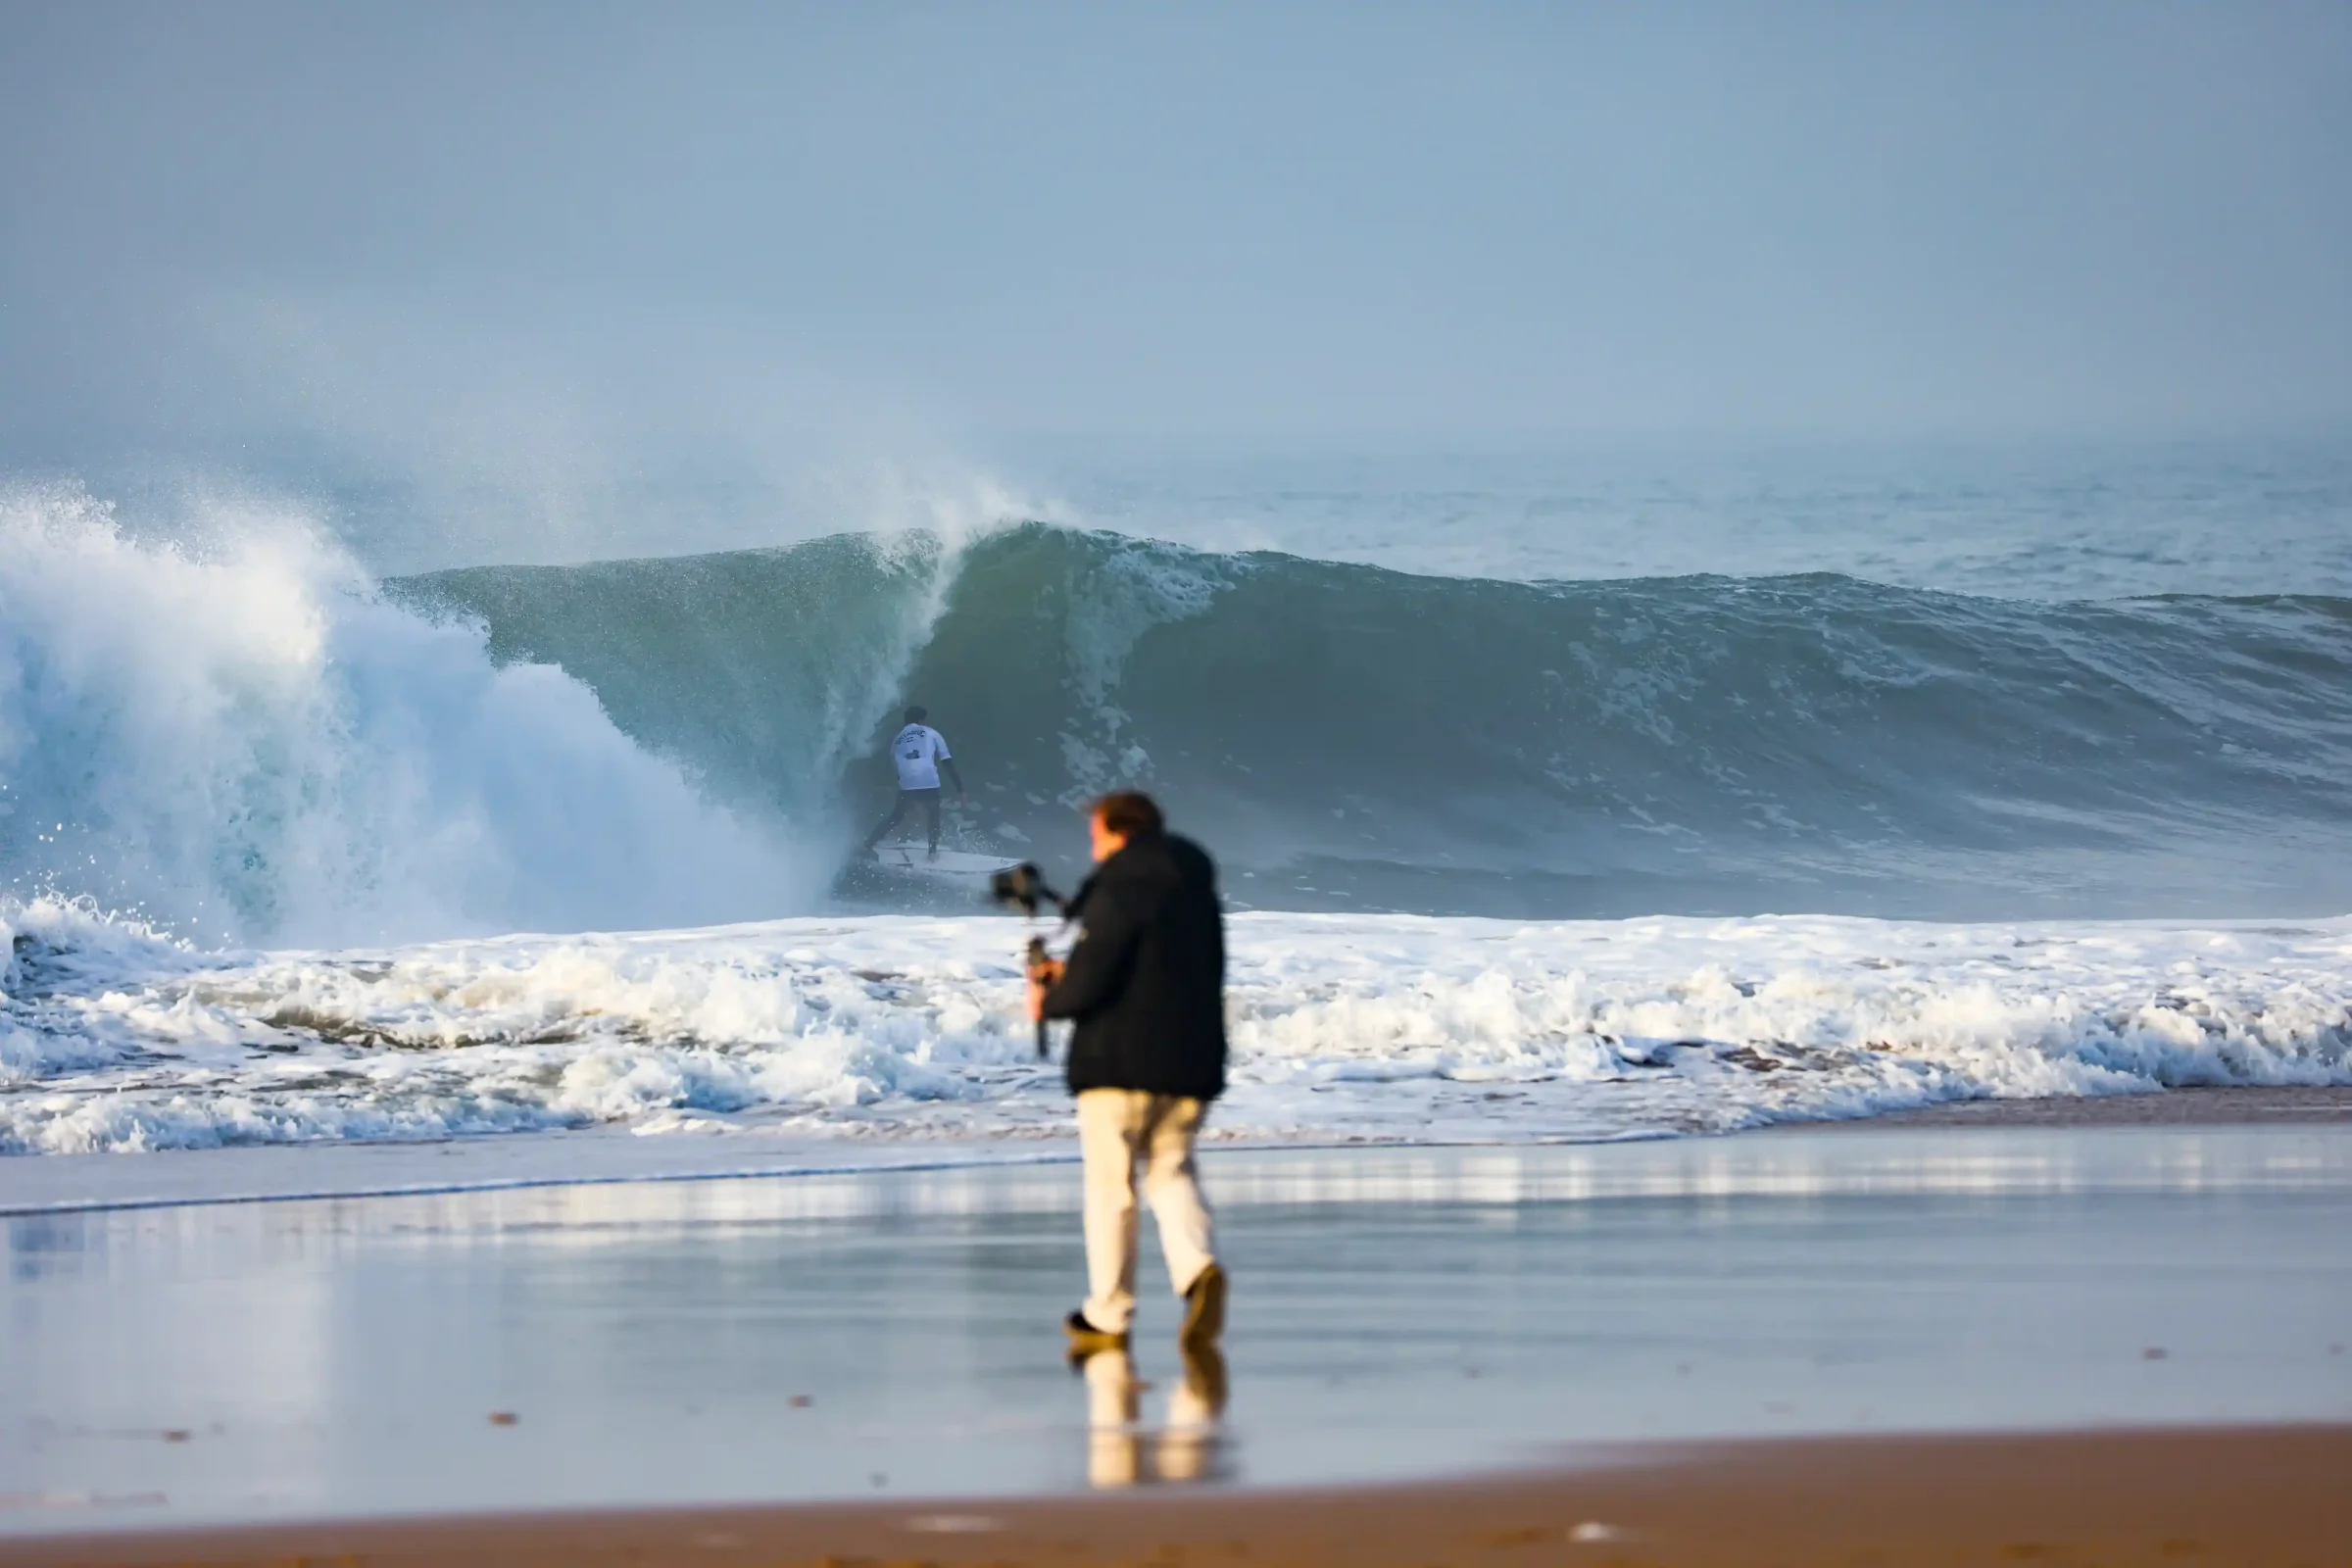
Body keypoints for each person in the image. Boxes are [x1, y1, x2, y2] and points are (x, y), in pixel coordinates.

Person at [1027, 790, 1228, 1354]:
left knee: (1112, 1188)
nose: (1093, 845)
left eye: (1096, 834)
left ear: (1118, 830)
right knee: (1171, 1173)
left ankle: (1109, 1314)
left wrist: (1052, 995)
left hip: (1120, 1062)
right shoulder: (1194, 884)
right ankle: (1198, 1269)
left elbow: (1093, 981)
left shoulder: (1119, 884)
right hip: (1191, 1059)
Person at [862, 705, 965, 858]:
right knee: (934, 816)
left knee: (896, 816)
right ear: (921, 720)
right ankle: (932, 853)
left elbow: (900, 772)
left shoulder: (896, 740)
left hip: (907, 785)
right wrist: (961, 789)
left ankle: (867, 845)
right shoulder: (931, 733)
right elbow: (946, 762)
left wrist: (912, 799)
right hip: (928, 780)